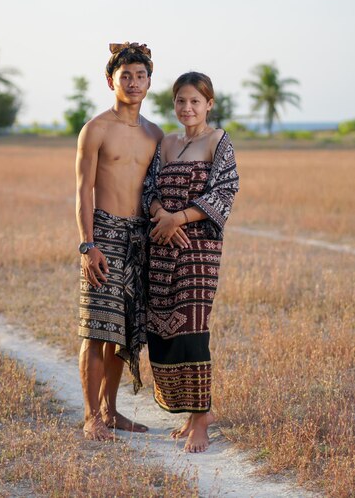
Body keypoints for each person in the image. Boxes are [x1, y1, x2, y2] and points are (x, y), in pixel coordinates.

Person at [76, 43, 189, 441]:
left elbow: (159, 189)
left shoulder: (155, 135)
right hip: (104, 235)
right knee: (96, 329)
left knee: (123, 334)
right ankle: (91, 416)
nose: (134, 82)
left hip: (140, 239)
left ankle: (111, 411)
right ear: (112, 81)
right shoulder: (96, 129)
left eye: (141, 76)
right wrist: (87, 245)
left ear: (149, 82)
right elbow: (83, 191)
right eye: (126, 76)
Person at [143, 71, 239, 453]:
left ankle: (201, 421)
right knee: (166, 330)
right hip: (162, 247)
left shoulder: (219, 142)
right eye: (181, 101)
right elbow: (147, 189)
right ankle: (191, 413)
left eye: (195, 101)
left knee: (194, 330)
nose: (187, 108)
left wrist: (178, 219)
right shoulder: (165, 143)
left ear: (209, 104)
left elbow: (225, 191)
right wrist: (160, 214)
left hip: (198, 249)